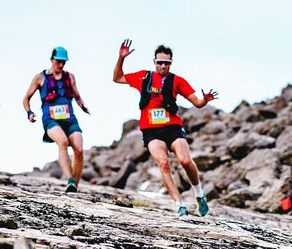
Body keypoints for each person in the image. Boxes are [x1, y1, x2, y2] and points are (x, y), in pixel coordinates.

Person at [113, 39, 218, 217]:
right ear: (154, 62)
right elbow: (117, 78)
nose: (163, 66)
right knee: (164, 164)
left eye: (167, 63)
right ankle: (180, 205)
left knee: (185, 160)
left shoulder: (177, 81)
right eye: (160, 62)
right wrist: (121, 58)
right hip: (151, 130)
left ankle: (199, 194)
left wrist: (205, 100)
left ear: (171, 63)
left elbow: (197, 102)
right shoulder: (143, 77)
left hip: (172, 127)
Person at [23, 47, 90, 193]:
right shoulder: (40, 77)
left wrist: (82, 105)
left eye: (64, 62)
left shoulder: (70, 77)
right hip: (51, 120)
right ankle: (69, 179)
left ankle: (74, 186)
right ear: (52, 59)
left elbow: (77, 96)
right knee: (63, 141)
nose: (61, 65)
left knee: (79, 149)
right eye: (59, 61)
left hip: (70, 119)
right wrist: (29, 112)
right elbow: (26, 98)